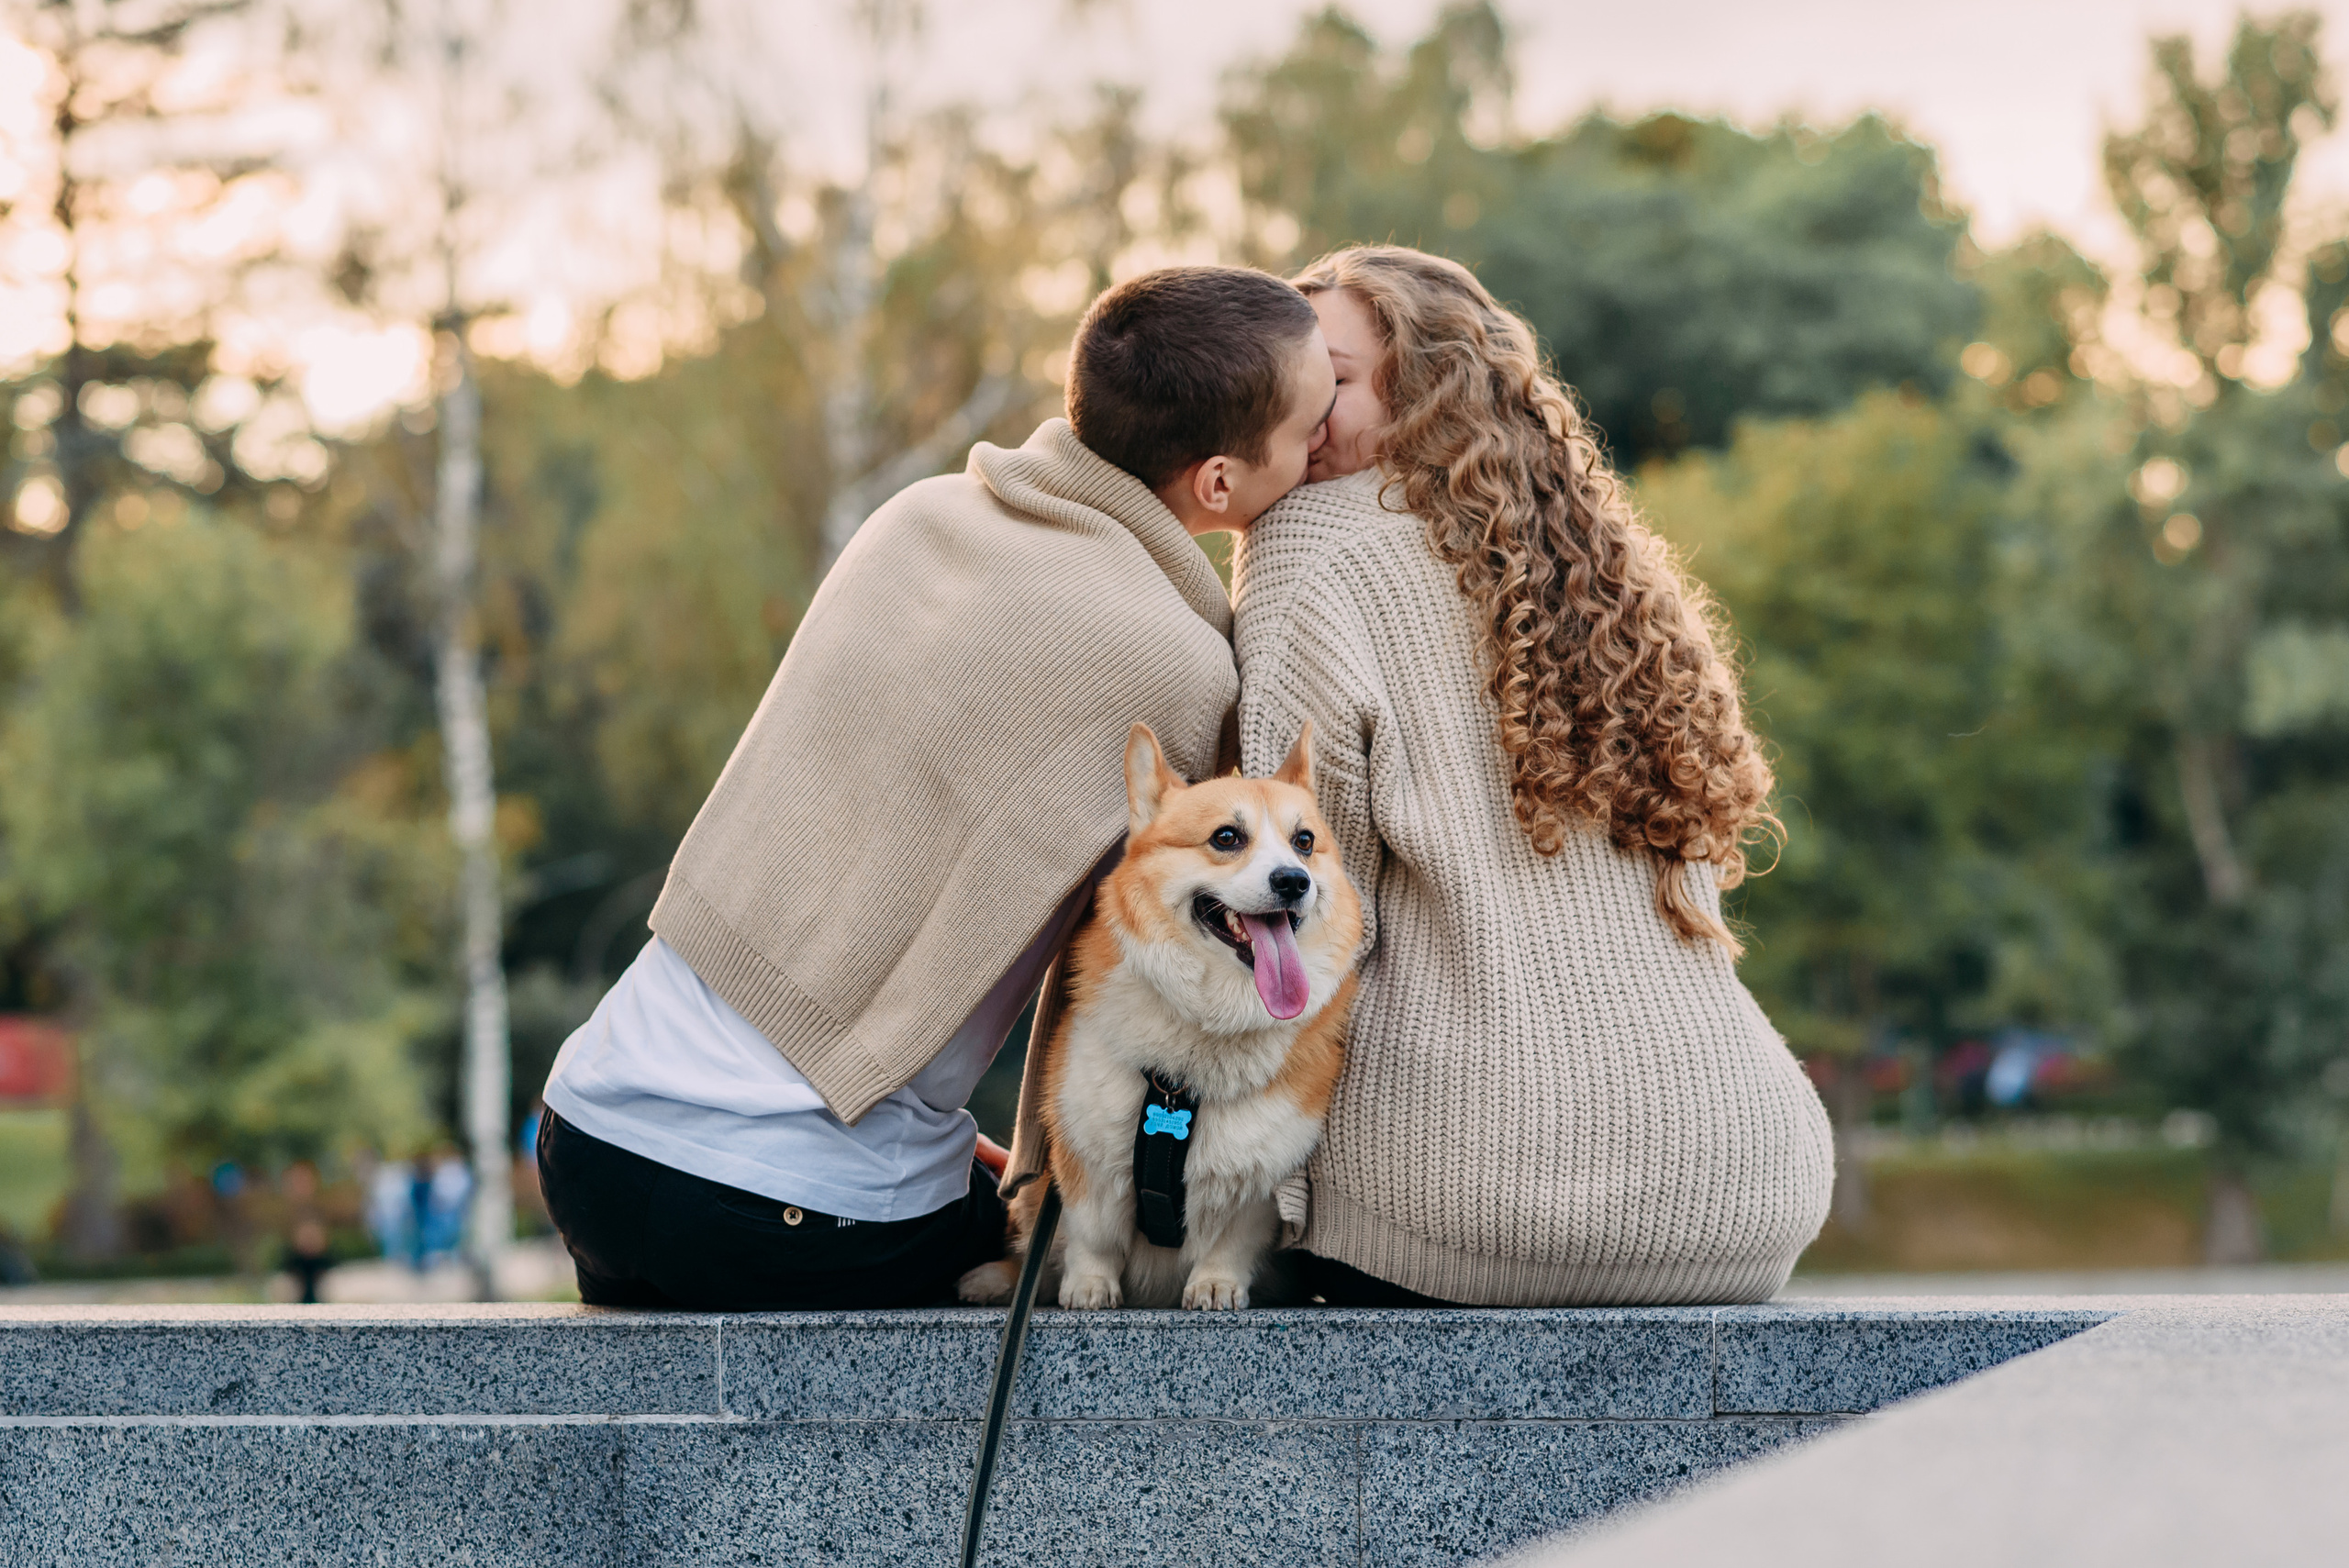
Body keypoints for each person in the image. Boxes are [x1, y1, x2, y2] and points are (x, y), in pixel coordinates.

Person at [537, 265, 1336, 1310]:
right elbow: (1127, 956)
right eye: (1314, 425)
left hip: (590, 1134)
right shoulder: (1175, 664)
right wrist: (1069, 1178)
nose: (1330, 445)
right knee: (1062, 1253)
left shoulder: (918, 518)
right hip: (781, 1206)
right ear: (1221, 486)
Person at [1233, 246, 1833, 1307]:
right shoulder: (1601, 565)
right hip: (1751, 1181)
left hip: (1494, 1194)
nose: (1301, 410)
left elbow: (1300, 914)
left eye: (1335, 380)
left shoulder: (1306, 539)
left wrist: (1261, 1213)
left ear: (1424, 395)